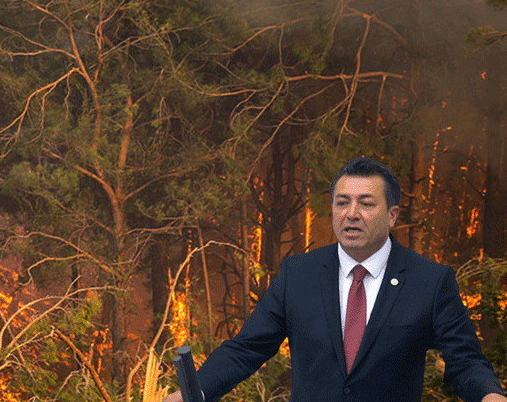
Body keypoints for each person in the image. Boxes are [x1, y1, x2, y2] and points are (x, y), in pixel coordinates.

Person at [164, 156, 506, 402]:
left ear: (392, 215)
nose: (352, 214)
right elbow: (247, 349)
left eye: (366, 203)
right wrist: (194, 391)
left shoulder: (430, 281)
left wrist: (489, 395)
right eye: (342, 202)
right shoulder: (299, 274)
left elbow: (465, 361)